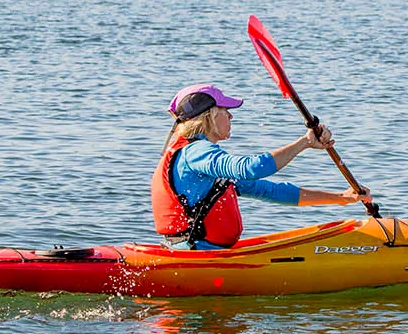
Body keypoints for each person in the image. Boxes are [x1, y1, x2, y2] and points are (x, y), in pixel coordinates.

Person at [151, 83, 373, 249]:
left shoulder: (202, 162)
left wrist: (342, 198)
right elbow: (252, 168)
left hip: (202, 250)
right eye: (225, 111)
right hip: (197, 254)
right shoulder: (196, 153)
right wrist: (304, 143)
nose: (230, 116)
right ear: (208, 116)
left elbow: (271, 190)